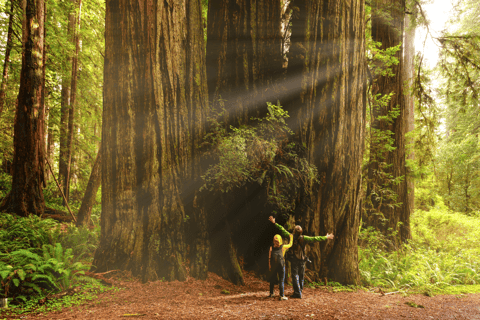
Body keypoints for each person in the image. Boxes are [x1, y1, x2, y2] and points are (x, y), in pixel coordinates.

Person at [268, 216, 334, 299]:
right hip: (302, 259)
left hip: (294, 259)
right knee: (301, 275)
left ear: (294, 232)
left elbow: (282, 230)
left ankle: (297, 292)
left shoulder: (290, 236)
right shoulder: (304, 238)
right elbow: (315, 238)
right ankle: (299, 291)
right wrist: (326, 237)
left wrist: (274, 223)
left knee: (295, 275)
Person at [268, 232, 293, 300]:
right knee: (281, 280)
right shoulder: (283, 247)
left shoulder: (271, 248)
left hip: (273, 266)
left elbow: (269, 257)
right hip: (281, 266)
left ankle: (271, 293)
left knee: (272, 279)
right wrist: (291, 237)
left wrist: (269, 265)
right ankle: (281, 295)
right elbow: (290, 244)